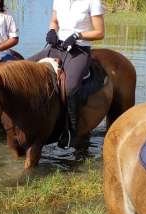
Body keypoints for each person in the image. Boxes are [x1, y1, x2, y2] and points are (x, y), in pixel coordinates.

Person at [28, 0, 105, 147]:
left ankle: (72, 131)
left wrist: (77, 36)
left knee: (70, 87)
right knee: (24, 67)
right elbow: (54, 21)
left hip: (79, 50)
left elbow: (100, 32)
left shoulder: (93, 2)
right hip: (58, 47)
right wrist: (52, 30)